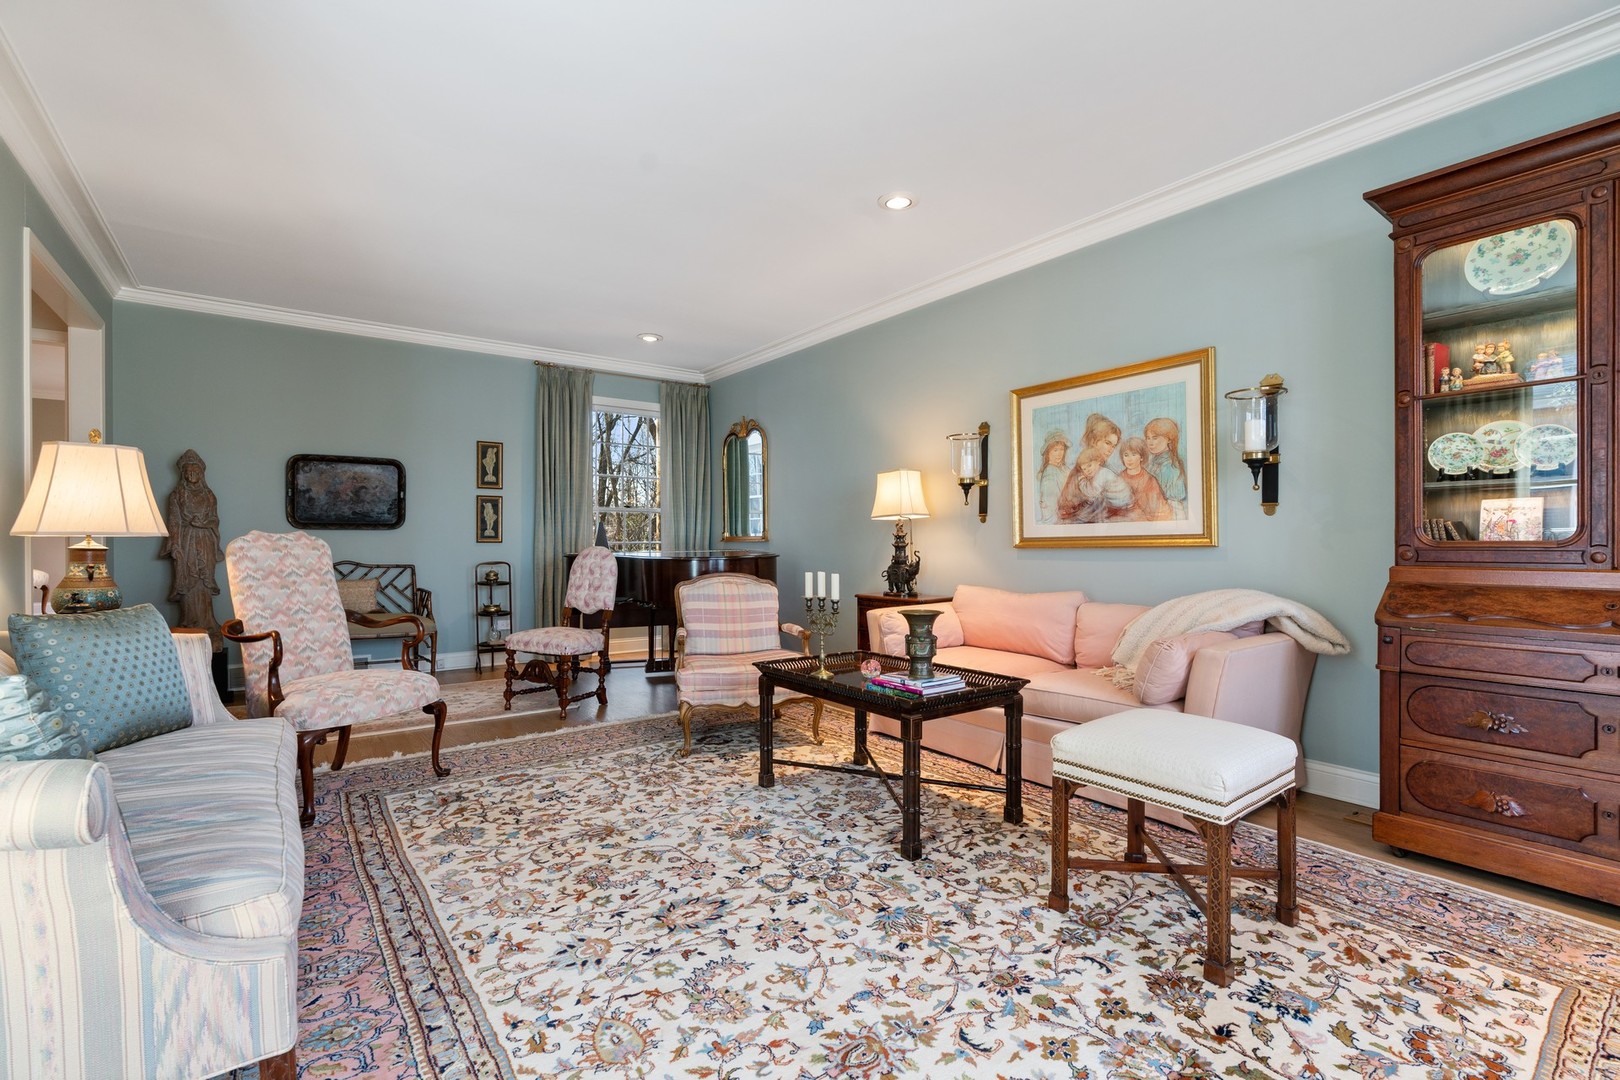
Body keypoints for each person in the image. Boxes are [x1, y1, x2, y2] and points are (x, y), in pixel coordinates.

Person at [159, 449, 225, 648]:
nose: (192, 475)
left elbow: (215, 519)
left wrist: (204, 522)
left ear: (201, 473)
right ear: (183, 474)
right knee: (187, 580)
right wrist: (175, 546)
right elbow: (174, 522)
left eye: (196, 472)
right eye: (188, 472)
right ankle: (188, 623)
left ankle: (208, 624)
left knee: (204, 583)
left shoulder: (209, 495)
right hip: (186, 541)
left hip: (205, 540)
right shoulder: (177, 495)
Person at [1056, 445, 1132, 523]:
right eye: (1084, 469)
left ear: (1098, 461)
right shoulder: (1102, 472)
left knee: (1096, 501)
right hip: (1123, 501)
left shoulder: (1101, 474)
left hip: (1119, 503)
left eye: (1089, 466)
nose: (1088, 470)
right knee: (1094, 501)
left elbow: (1091, 493)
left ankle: (1082, 520)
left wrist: (1082, 481)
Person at [1116, 436, 1173, 520]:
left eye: (1134, 454)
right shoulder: (1118, 479)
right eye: (1126, 455)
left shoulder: (1150, 480)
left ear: (1141, 457)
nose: (1129, 459)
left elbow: (1159, 509)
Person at [1143, 417, 1188, 519]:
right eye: (1148, 438)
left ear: (1168, 439)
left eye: (1155, 438)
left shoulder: (1169, 466)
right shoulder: (1152, 462)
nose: (1150, 442)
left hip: (1169, 513)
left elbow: (1171, 500)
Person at [1035, 429, 1072, 523]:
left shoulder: (1064, 469)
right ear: (1048, 452)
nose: (1059, 453)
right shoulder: (1050, 473)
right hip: (1057, 519)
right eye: (1055, 450)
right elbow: (1050, 505)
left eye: (1062, 449)